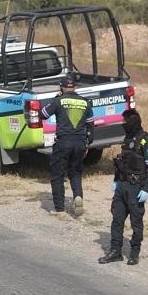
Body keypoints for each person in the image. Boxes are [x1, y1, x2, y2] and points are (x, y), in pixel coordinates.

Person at [99, 109, 148, 266]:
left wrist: (146, 189)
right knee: (117, 219)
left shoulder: (146, 141)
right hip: (122, 186)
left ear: (132, 122)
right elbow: (122, 163)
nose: (123, 124)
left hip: (136, 188)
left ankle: (134, 253)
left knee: (136, 222)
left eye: (125, 122)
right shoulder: (127, 139)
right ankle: (115, 251)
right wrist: (116, 180)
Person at [41, 75, 94, 216]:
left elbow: (43, 114)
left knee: (57, 175)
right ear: (75, 87)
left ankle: (59, 209)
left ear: (61, 88)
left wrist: (55, 99)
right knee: (75, 173)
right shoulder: (85, 102)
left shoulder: (59, 101)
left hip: (63, 142)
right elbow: (91, 125)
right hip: (80, 143)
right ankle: (78, 197)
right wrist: (87, 143)